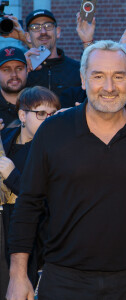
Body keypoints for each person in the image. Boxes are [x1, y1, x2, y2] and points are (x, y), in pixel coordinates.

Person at [6, 40, 126, 300]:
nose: (109, 87)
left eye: (118, 76)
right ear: (83, 80)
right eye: (98, 76)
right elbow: (28, 205)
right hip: (63, 281)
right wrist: (18, 276)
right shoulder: (53, 132)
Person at [0, 86, 60, 300]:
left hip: (36, 242)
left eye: (53, 114)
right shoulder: (5, 137)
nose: (48, 119)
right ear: (22, 115)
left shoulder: (55, 150)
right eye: (41, 113)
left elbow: (46, 199)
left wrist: (12, 176)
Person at [24, 9, 81, 97]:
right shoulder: (24, 72)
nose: (43, 32)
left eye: (48, 26)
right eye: (35, 27)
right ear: (28, 36)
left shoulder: (77, 69)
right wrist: (21, 69)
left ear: (57, 32)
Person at [0, 47, 27, 129]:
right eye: (6, 70)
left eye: (19, 69)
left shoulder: (38, 104)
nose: (14, 74)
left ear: (27, 71)